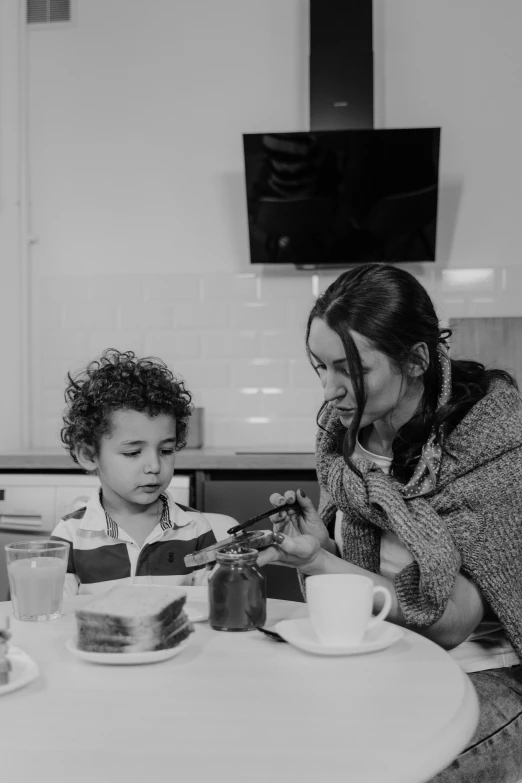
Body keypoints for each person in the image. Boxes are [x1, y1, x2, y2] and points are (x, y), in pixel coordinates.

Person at [257, 263, 522, 782]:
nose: (330, 389)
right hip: (384, 657)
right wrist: (317, 557)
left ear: (416, 360)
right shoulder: (344, 445)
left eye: (350, 370)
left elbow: (451, 623)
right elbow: (355, 588)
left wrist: (324, 564)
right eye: (320, 367)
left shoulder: (493, 449)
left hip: (484, 670)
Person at [51, 349, 216, 596]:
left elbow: (220, 606)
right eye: (132, 453)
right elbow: (55, 616)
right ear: (88, 455)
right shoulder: (71, 535)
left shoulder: (194, 528)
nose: (155, 466)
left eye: (166, 450)